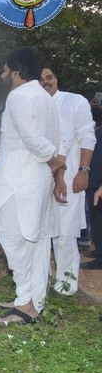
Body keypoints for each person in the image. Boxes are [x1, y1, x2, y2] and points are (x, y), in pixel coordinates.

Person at [0, 47, 65, 325]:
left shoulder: (18, 96)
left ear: (16, 71)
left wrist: (54, 159)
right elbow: (40, 141)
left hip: (19, 180)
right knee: (34, 240)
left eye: (5, 69)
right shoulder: (46, 98)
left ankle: (25, 305)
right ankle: (34, 299)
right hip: (35, 178)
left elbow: (34, 141)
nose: (3, 74)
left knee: (14, 238)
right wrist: (54, 161)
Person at [40, 66, 95, 294]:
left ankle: (66, 286)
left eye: (49, 77)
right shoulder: (36, 106)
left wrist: (83, 170)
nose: (46, 82)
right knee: (43, 230)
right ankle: (42, 280)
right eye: (41, 80)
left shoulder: (75, 101)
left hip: (70, 176)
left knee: (64, 233)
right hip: (41, 177)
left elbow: (87, 136)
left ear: (56, 79)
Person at [81, 106, 102, 270]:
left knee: (98, 221)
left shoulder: (97, 134)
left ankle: (100, 258)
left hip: (98, 184)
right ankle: (98, 251)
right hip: (94, 182)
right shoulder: (97, 133)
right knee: (95, 221)